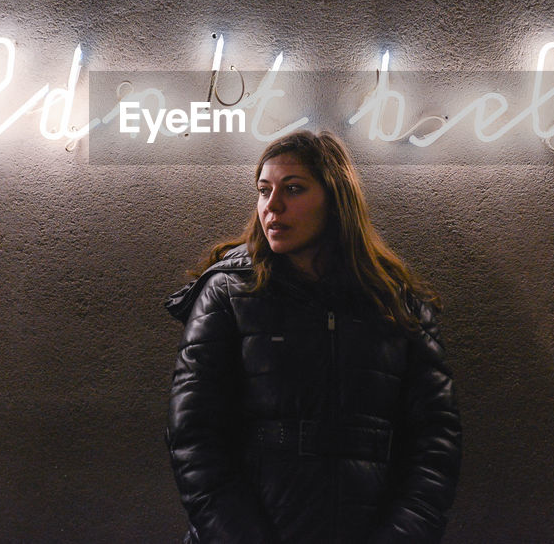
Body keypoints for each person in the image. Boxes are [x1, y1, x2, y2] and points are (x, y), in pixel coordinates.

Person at [165, 129, 461, 543]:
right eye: (264, 191)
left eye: (294, 189)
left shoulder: (396, 301)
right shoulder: (229, 292)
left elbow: (435, 439)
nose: (273, 207)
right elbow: (193, 437)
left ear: (336, 200)